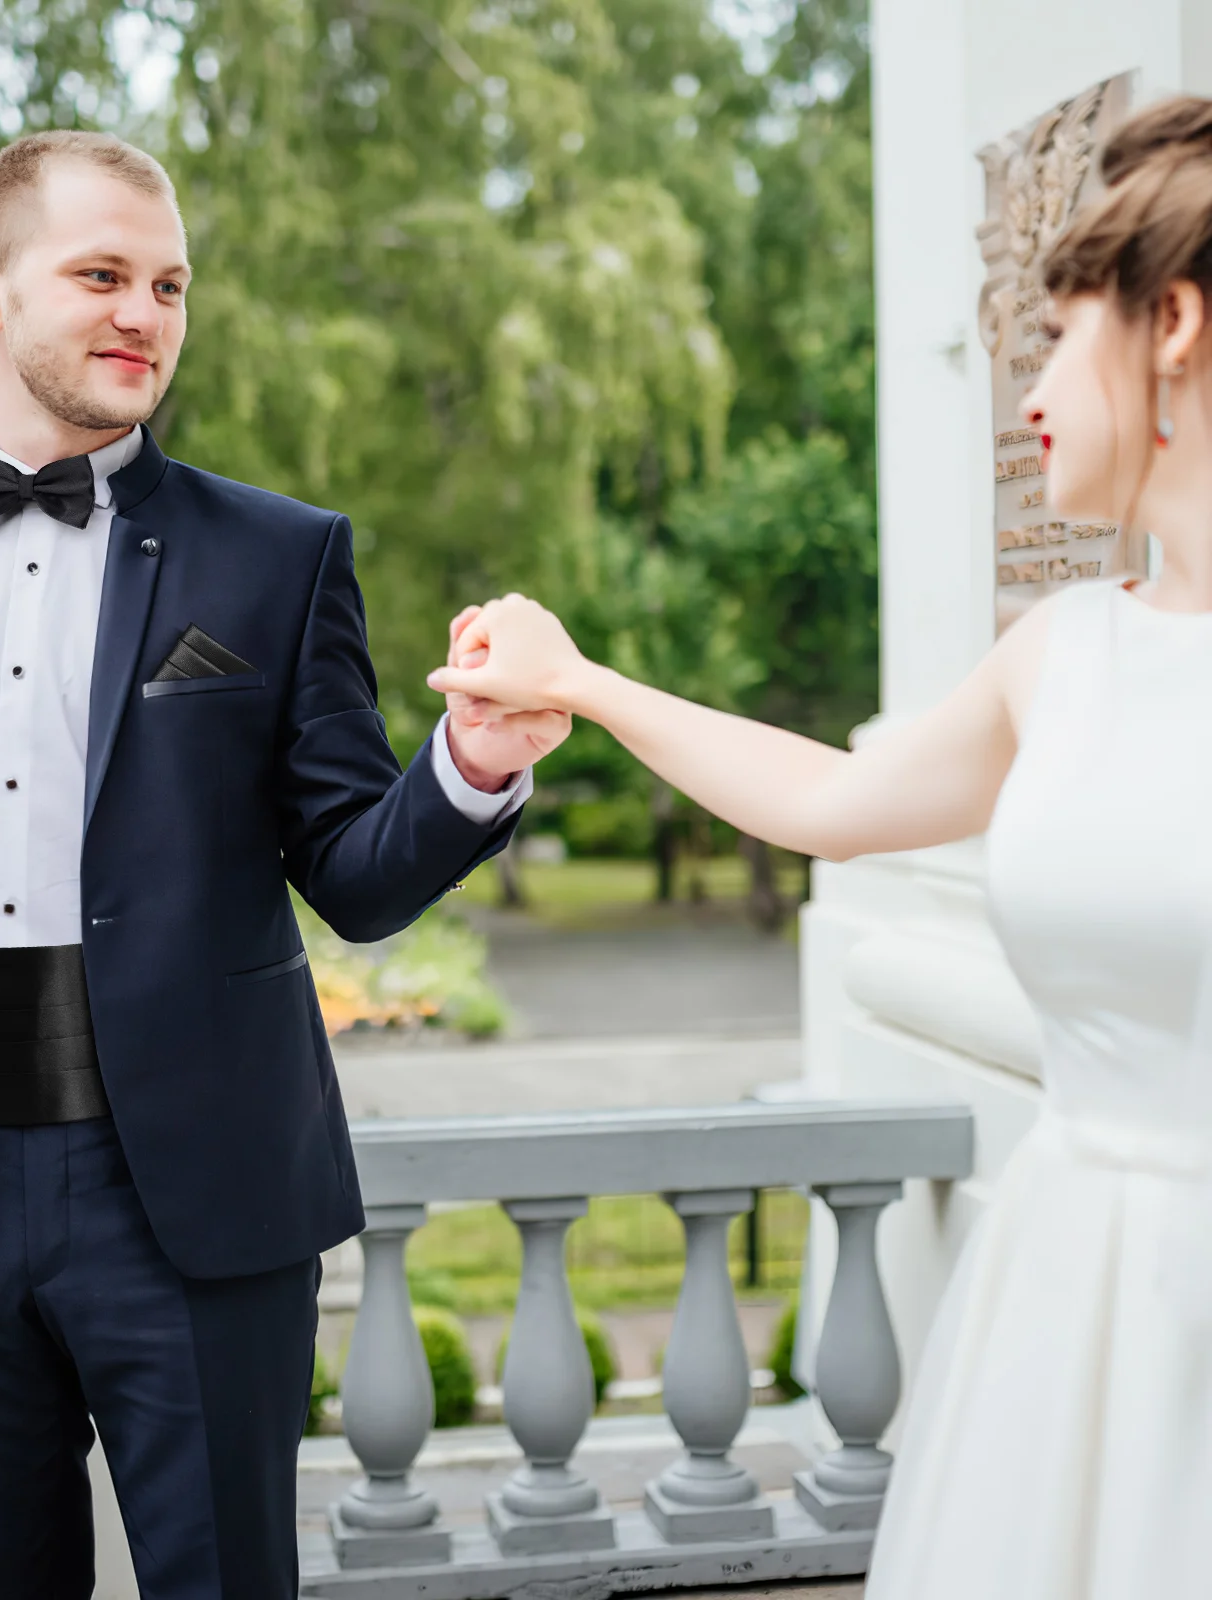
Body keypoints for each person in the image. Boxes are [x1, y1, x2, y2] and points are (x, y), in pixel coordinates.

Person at [0, 130, 569, 1599]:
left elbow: (357, 877)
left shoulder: (279, 555)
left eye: (170, 285)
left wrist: (477, 770)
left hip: (192, 1188)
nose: (146, 316)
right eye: (103, 274)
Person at [429, 96, 1212, 1600]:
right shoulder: (1063, 654)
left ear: (1171, 320)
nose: (1029, 389)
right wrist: (582, 681)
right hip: (1066, 1306)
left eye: (1053, 341)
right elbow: (824, 800)